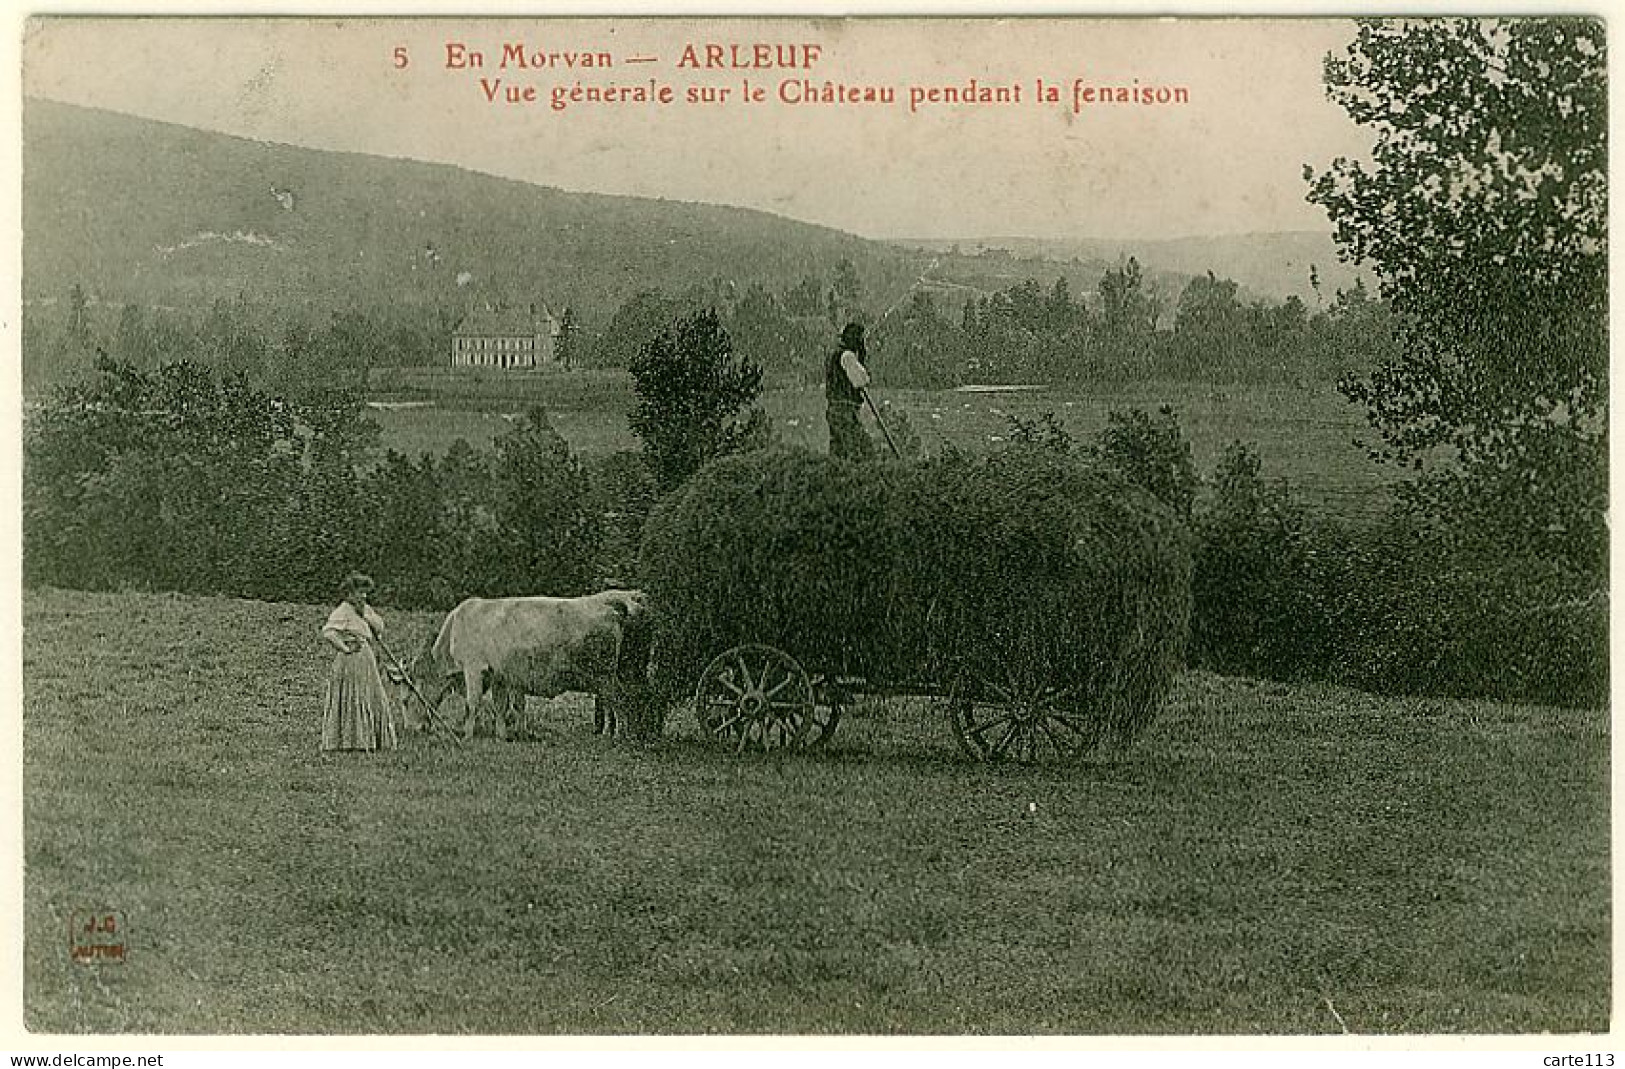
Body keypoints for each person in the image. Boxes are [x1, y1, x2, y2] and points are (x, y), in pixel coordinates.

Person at [319, 573, 399, 752]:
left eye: (365, 593)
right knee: (353, 695)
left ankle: (372, 740)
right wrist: (344, 648)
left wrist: (366, 615)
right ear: (348, 594)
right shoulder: (342, 611)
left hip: (366, 657)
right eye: (358, 592)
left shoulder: (365, 609)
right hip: (350, 660)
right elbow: (329, 632)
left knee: (370, 695)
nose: (363, 596)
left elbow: (380, 627)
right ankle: (351, 741)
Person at [825, 321, 876, 461]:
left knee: (838, 450)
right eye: (859, 338)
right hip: (845, 409)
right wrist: (862, 356)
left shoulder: (834, 354)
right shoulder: (847, 356)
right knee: (860, 450)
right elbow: (861, 381)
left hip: (834, 408)